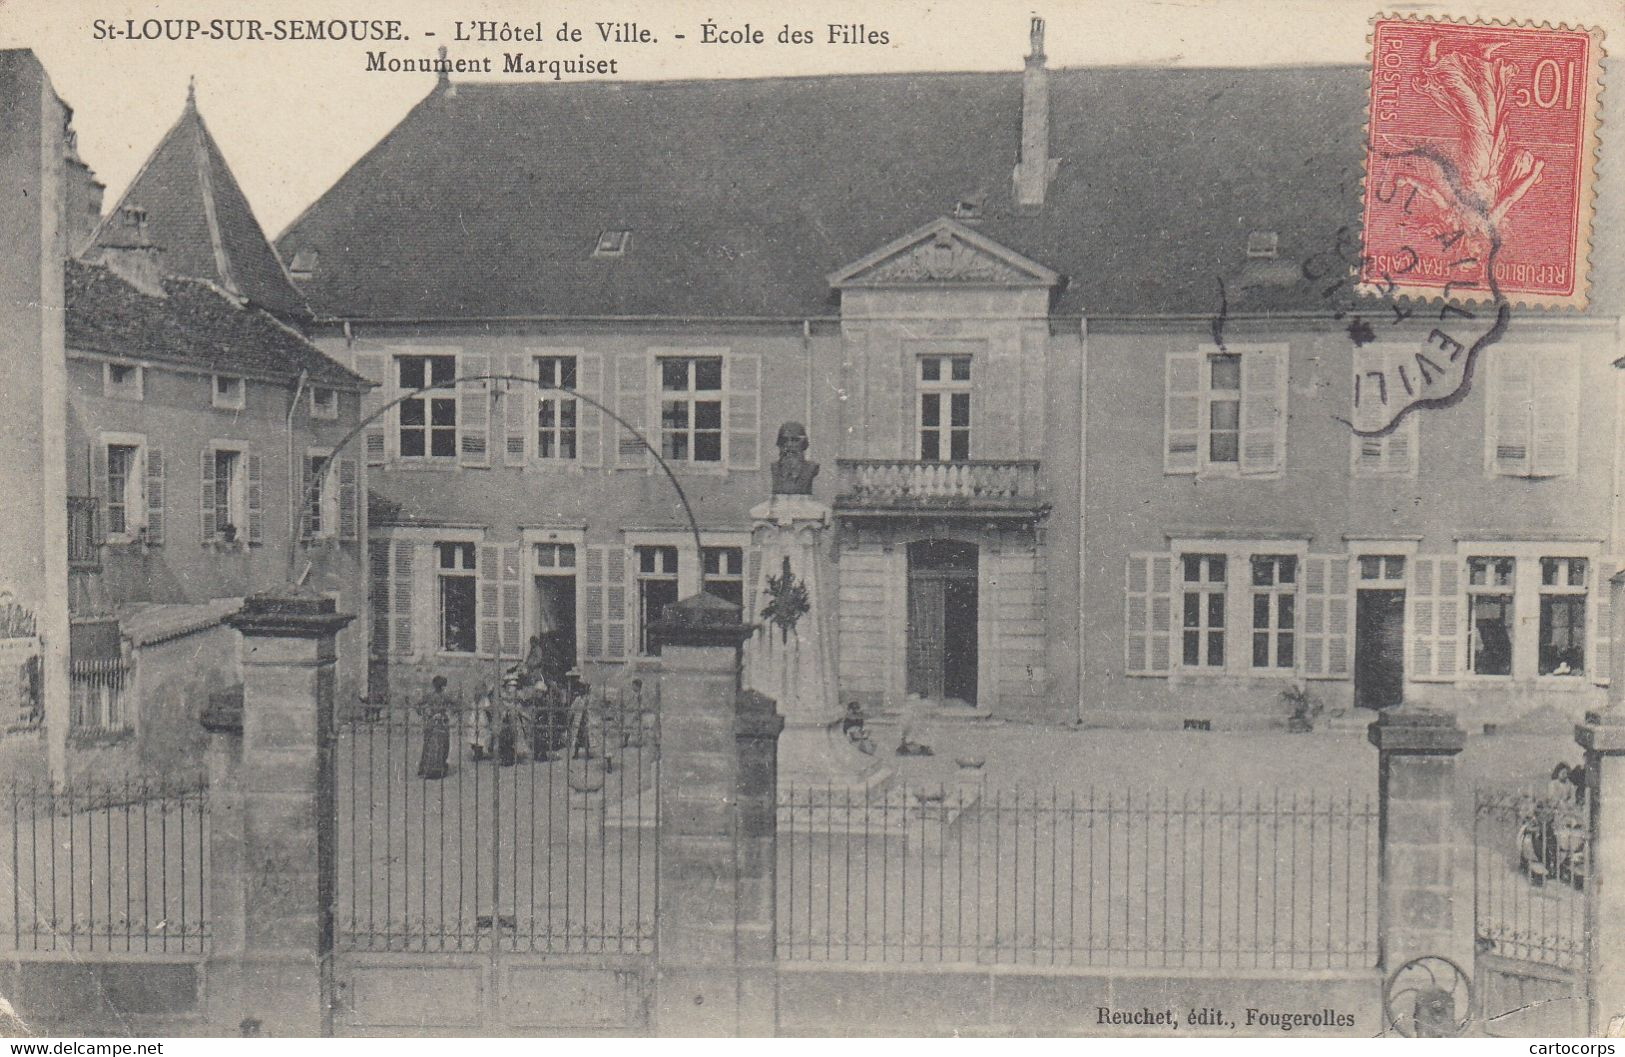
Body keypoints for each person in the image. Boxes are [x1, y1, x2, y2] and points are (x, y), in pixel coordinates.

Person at [416, 676, 454, 780]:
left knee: (433, 746)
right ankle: (436, 770)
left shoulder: (431, 695)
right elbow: (456, 705)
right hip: (439, 722)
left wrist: (423, 713)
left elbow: (418, 705)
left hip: (434, 722)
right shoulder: (444, 696)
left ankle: (429, 769)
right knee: (438, 745)